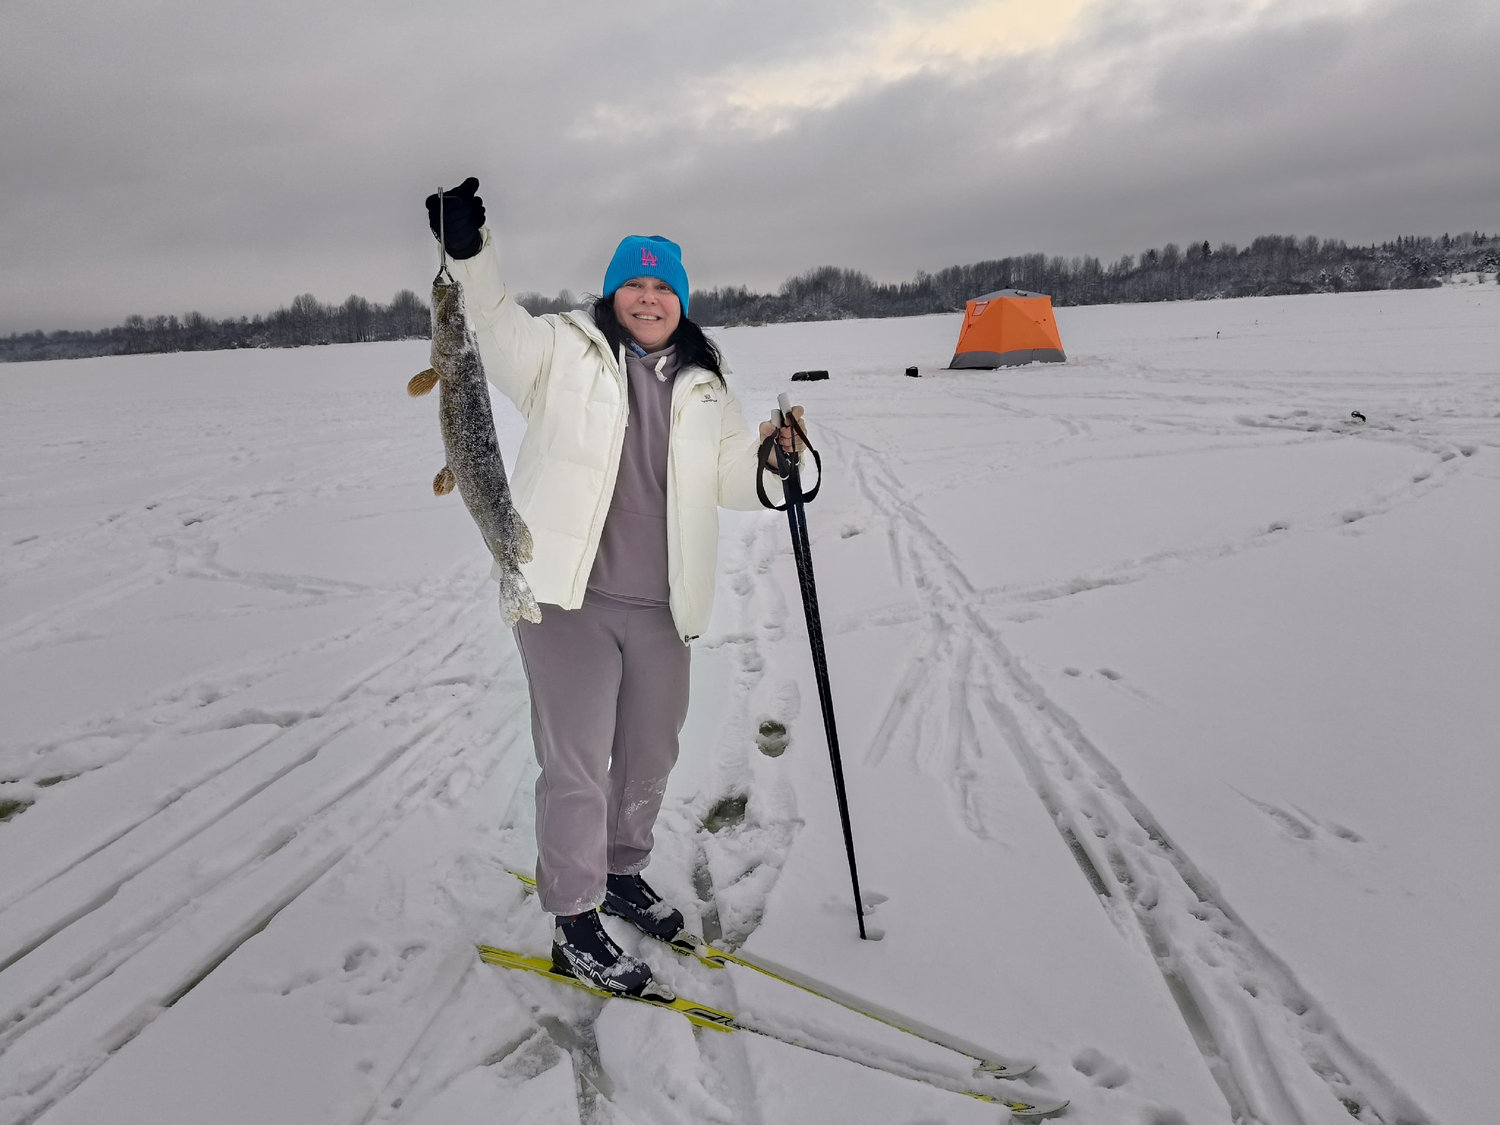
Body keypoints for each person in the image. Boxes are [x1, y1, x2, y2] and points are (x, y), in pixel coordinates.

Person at [426, 178, 805, 1000]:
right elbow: (489, 324)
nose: (648, 296)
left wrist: (773, 461)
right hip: (568, 600)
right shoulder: (561, 350)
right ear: (611, 293)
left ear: (681, 300)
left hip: (664, 603)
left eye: (663, 285)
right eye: (634, 283)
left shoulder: (708, 380)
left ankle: (619, 868)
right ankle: (573, 918)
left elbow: (731, 471)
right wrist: (467, 252)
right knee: (576, 766)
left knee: (650, 754)